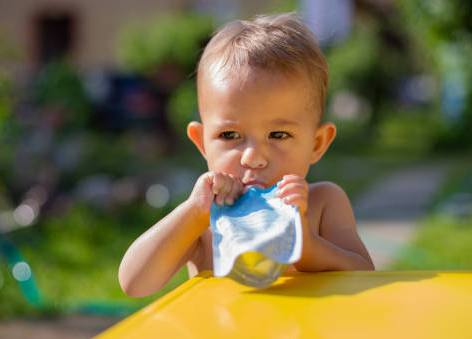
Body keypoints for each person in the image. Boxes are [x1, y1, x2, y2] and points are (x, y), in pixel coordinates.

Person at [119, 13, 374, 297]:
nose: (253, 158)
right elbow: (134, 284)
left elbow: (365, 275)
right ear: (202, 142)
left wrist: (306, 246)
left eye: (278, 135)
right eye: (230, 135)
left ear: (317, 144)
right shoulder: (205, 221)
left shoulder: (324, 203)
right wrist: (192, 213)